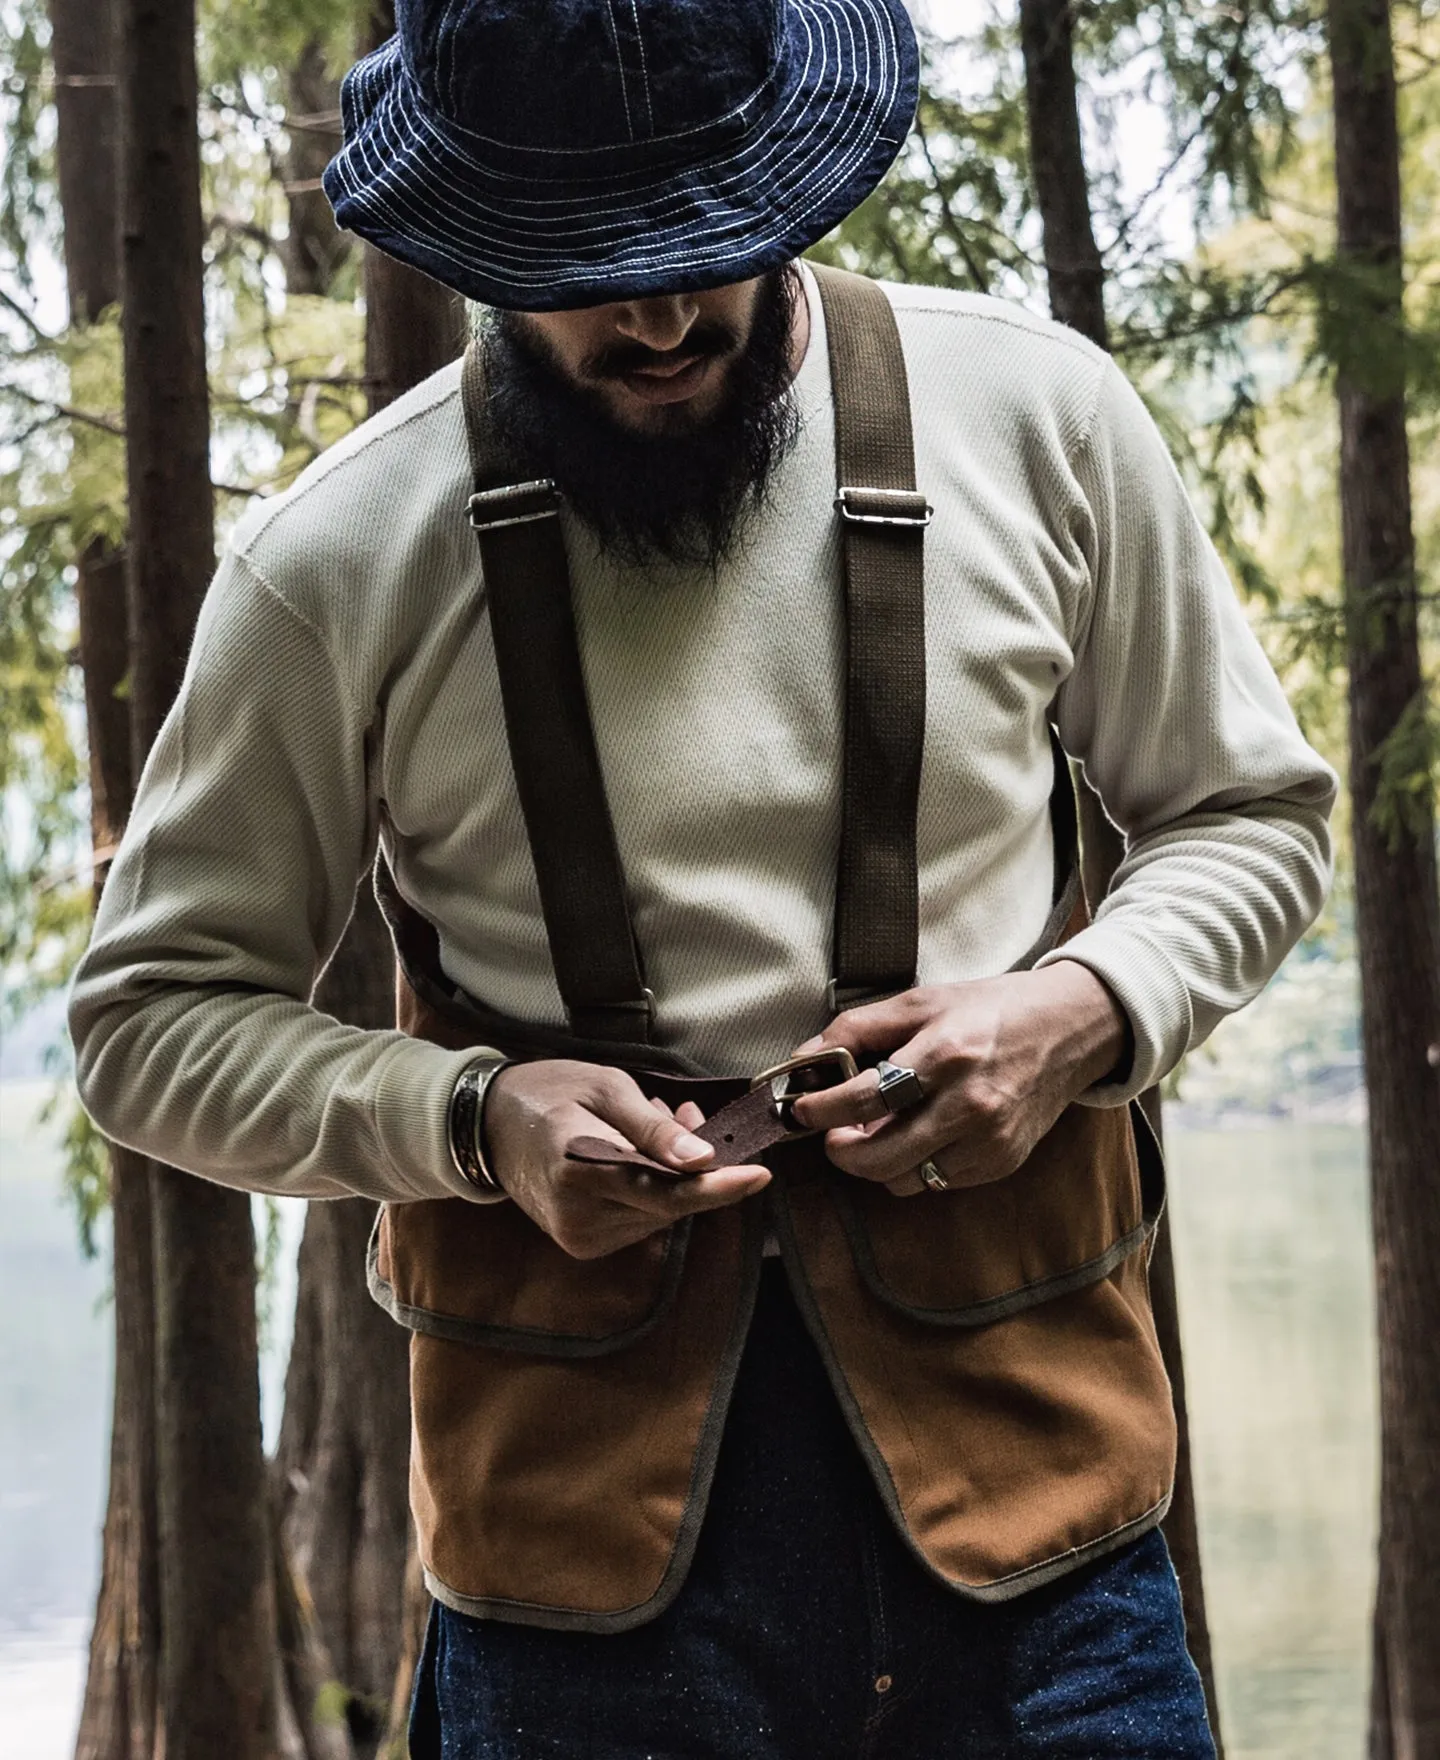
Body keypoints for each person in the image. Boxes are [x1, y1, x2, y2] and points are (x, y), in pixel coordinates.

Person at [69, 2, 1336, 1755]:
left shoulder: (1044, 419)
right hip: (572, 1570)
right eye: (592, 263)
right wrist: (475, 1117)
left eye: (707, 243)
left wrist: (1078, 1012)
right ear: (474, 236)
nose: (663, 315)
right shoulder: (335, 560)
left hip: (1049, 1527)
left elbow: (1252, 815)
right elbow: (145, 1028)